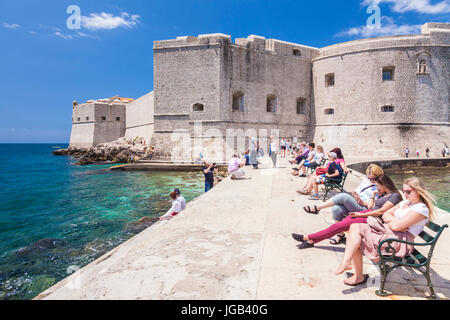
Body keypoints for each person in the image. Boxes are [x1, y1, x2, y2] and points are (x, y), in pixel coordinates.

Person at [334, 177, 435, 286]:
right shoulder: (406, 202)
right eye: (403, 191)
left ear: (418, 192)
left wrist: (395, 224)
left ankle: (355, 272)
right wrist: (397, 223)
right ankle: (348, 263)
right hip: (391, 234)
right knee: (354, 227)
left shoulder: (421, 209)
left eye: (408, 191)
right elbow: (386, 214)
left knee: (356, 236)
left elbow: (396, 226)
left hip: (401, 242)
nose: (405, 194)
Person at [293, 174, 403, 249]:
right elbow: (372, 206)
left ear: (384, 185)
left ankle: (308, 238)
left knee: (339, 226)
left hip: (372, 219)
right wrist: (374, 196)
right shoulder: (384, 194)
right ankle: (311, 240)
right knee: (340, 224)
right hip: (368, 214)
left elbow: (381, 211)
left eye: (378, 185)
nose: (377, 187)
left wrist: (361, 213)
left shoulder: (395, 196)